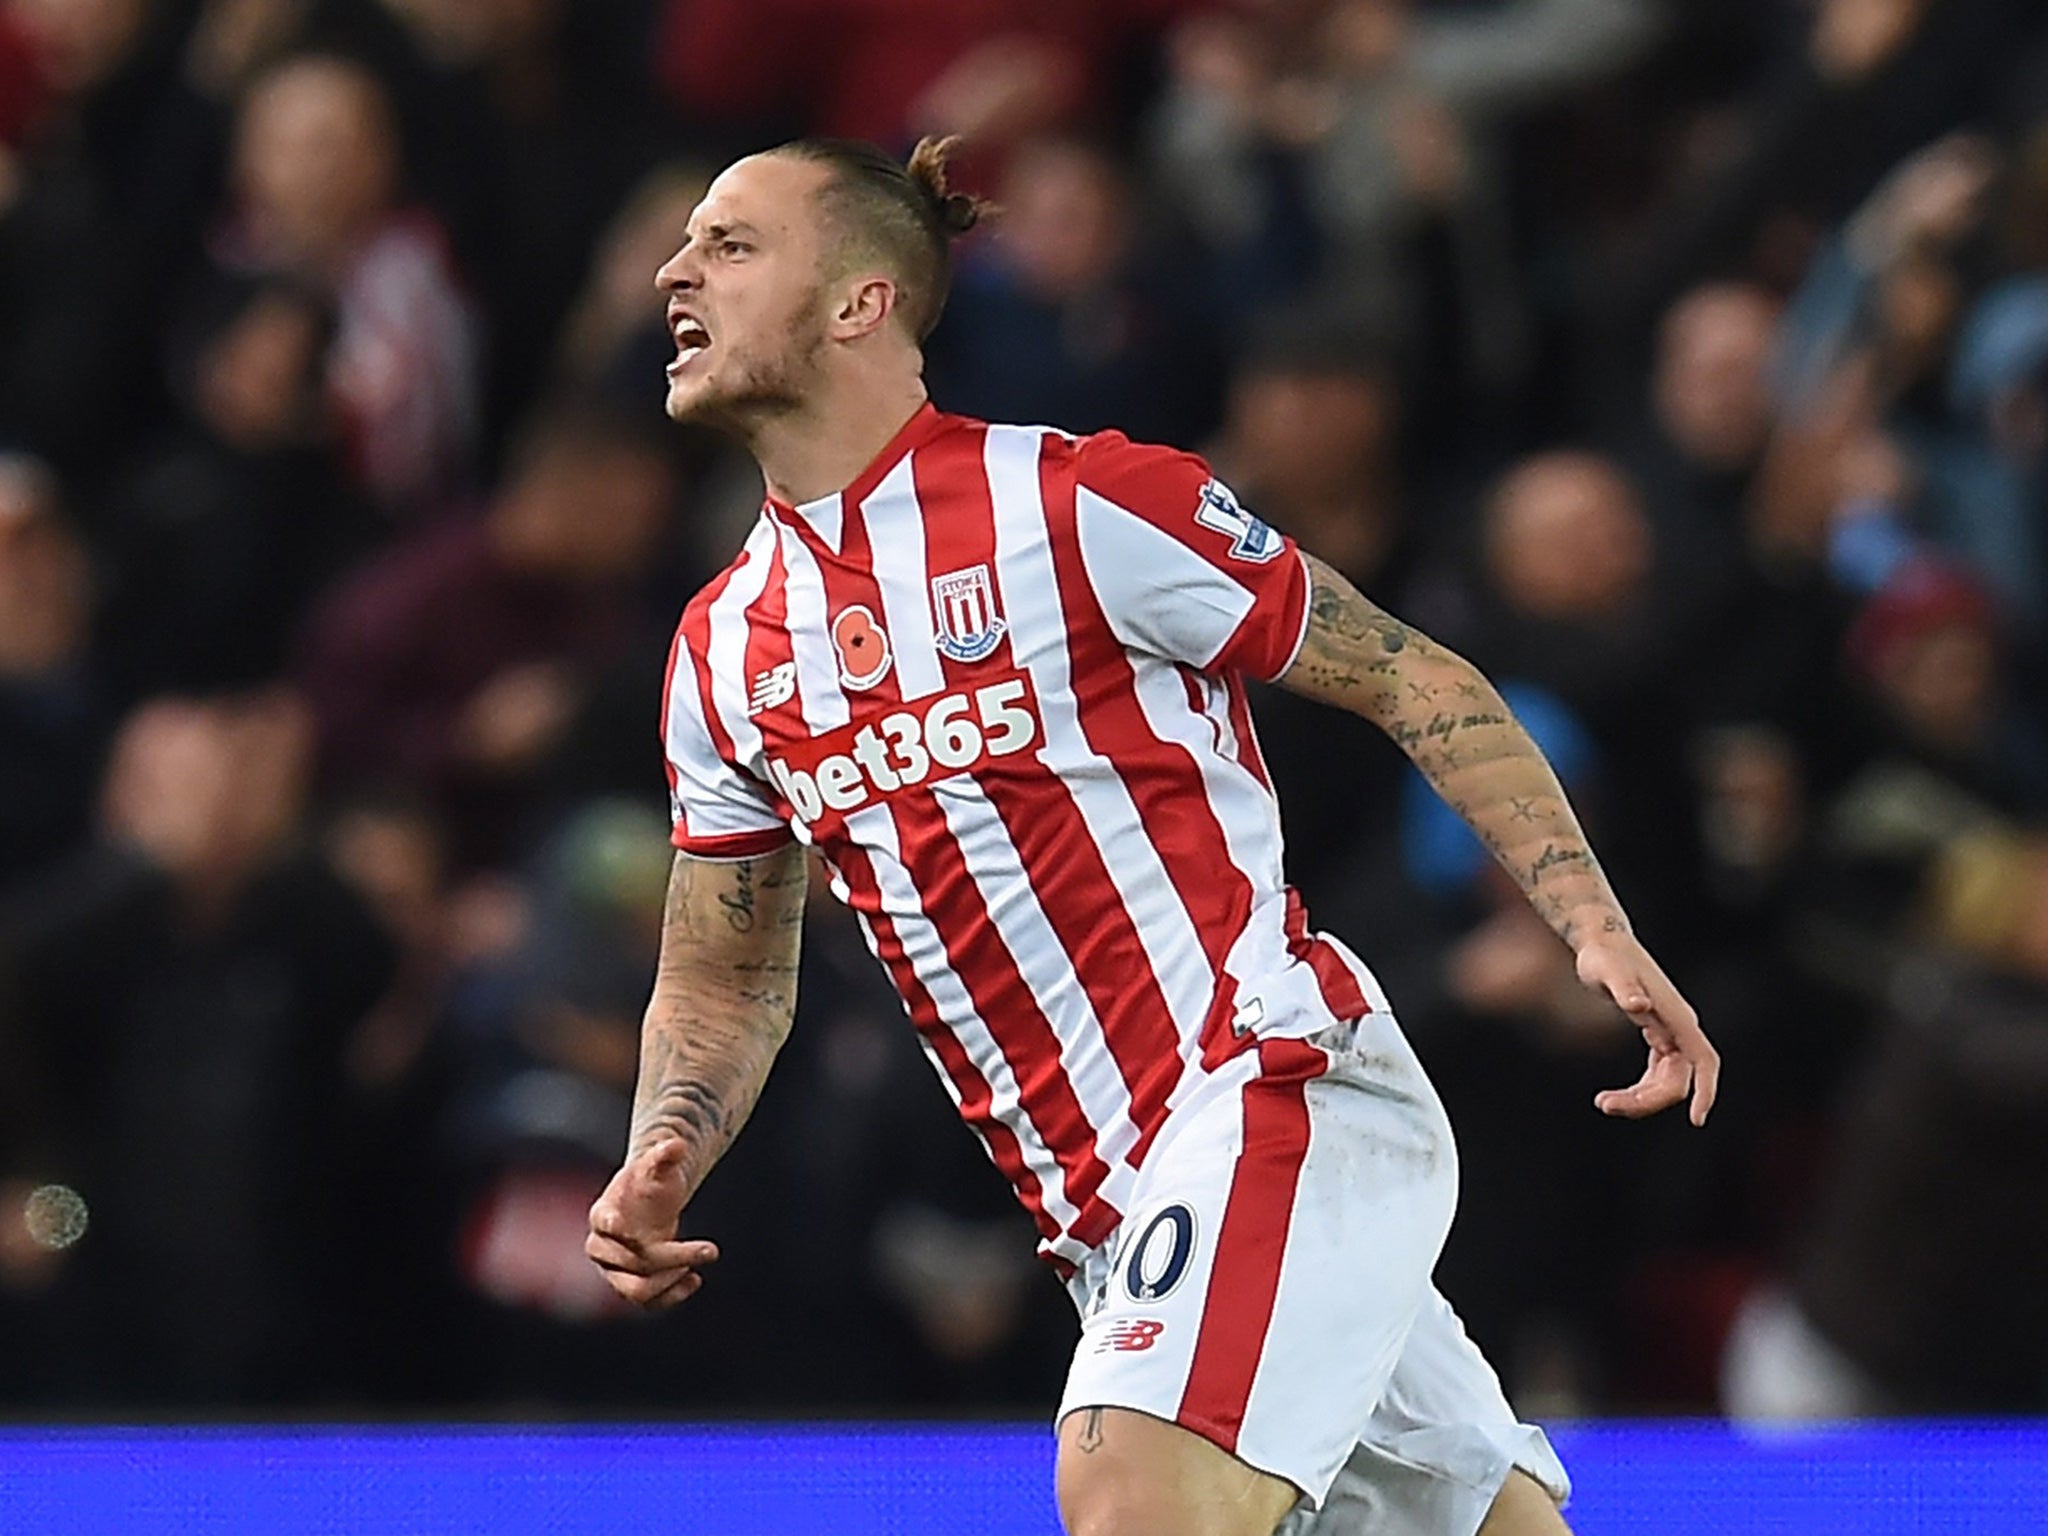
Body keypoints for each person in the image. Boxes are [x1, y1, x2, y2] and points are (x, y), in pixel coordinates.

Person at [583, 135, 1720, 1536]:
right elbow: (724, 974)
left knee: (1125, 1492)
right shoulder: (719, 654)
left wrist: (1594, 925)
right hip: (1106, 1224)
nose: (672, 272)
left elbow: (1410, 675)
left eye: (730, 242)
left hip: (1270, 1092)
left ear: (859, 301)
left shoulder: (1082, 504)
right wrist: (667, 1144)